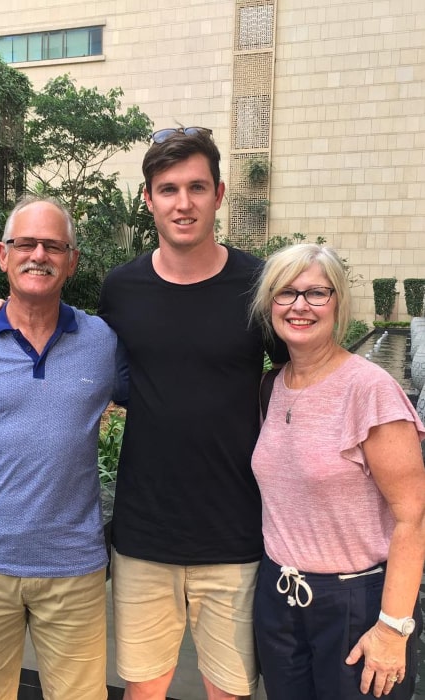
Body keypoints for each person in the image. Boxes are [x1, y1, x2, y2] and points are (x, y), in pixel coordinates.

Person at [98, 127, 288, 700]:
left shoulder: (258, 283)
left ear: (220, 194)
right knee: (143, 690)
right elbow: (78, 352)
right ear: (149, 198)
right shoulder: (122, 288)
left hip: (234, 530)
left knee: (228, 691)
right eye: (168, 189)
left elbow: (298, 375)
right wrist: (1, 318)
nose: (183, 203)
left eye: (197, 188)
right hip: (144, 531)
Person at [0, 196, 125, 700]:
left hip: (74, 572)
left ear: (71, 260)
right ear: (2, 254)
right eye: (26, 243)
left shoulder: (103, 341)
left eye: (53, 245)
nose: (39, 254)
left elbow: (163, 393)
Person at [249, 242, 425, 700]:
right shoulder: (274, 386)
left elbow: (413, 515)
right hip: (280, 598)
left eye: (316, 293)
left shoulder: (370, 391)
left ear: (338, 303)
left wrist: (393, 628)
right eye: (286, 293)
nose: (300, 306)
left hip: (355, 605)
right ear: (270, 304)